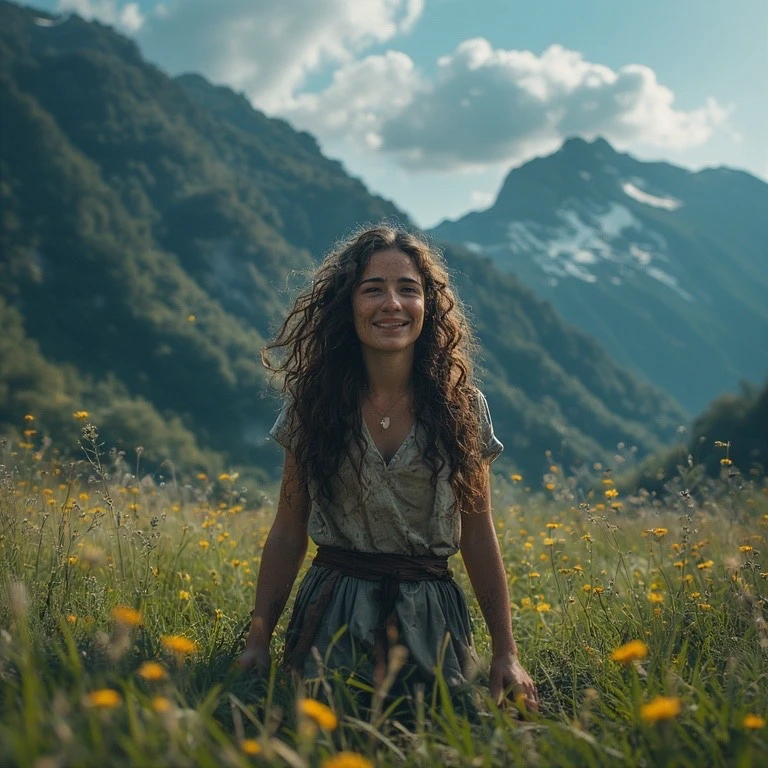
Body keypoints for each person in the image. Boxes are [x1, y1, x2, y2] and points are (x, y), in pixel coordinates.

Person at [238, 225, 537, 710]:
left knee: (444, 734)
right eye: (372, 289)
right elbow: (289, 531)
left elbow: (479, 534)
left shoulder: (462, 408)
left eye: (408, 289)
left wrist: (507, 653)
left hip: (432, 620)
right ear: (347, 304)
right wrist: (257, 642)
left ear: (428, 306)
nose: (392, 304)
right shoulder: (312, 406)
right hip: (331, 616)